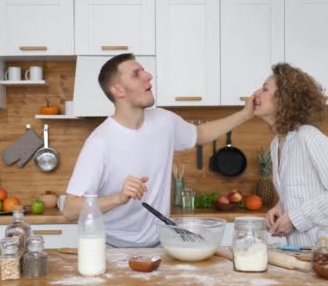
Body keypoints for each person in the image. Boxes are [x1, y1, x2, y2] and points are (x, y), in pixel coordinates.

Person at [63, 53, 254, 248]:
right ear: (118, 90)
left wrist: (246, 114)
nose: (148, 76)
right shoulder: (99, 143)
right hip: (112, 250)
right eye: (136, 74)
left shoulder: (164, 121)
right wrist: (118, 198)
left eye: (143, 71)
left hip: (161, 246)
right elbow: (70, 210)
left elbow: (201, 134)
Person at [252, 63, 328, 246]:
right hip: (310, 250)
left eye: (265, 89)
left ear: (283, 99)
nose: (256, 93)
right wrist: (281, 206)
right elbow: (303, 190)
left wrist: (296, 218)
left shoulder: (309, 137)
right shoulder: (277, 144)